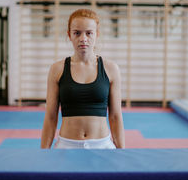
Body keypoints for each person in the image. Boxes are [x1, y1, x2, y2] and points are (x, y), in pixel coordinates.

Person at [41, 9, 125, 149]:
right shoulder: (57, 69)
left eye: (89, 33)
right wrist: (43, 152)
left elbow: (115, 116)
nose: (83, 38)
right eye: (77, 33)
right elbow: (50, 117)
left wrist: (122, 151)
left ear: (96, 34)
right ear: (69, 35)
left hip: (102, 145)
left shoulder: (111, 69)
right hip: (67, 146)